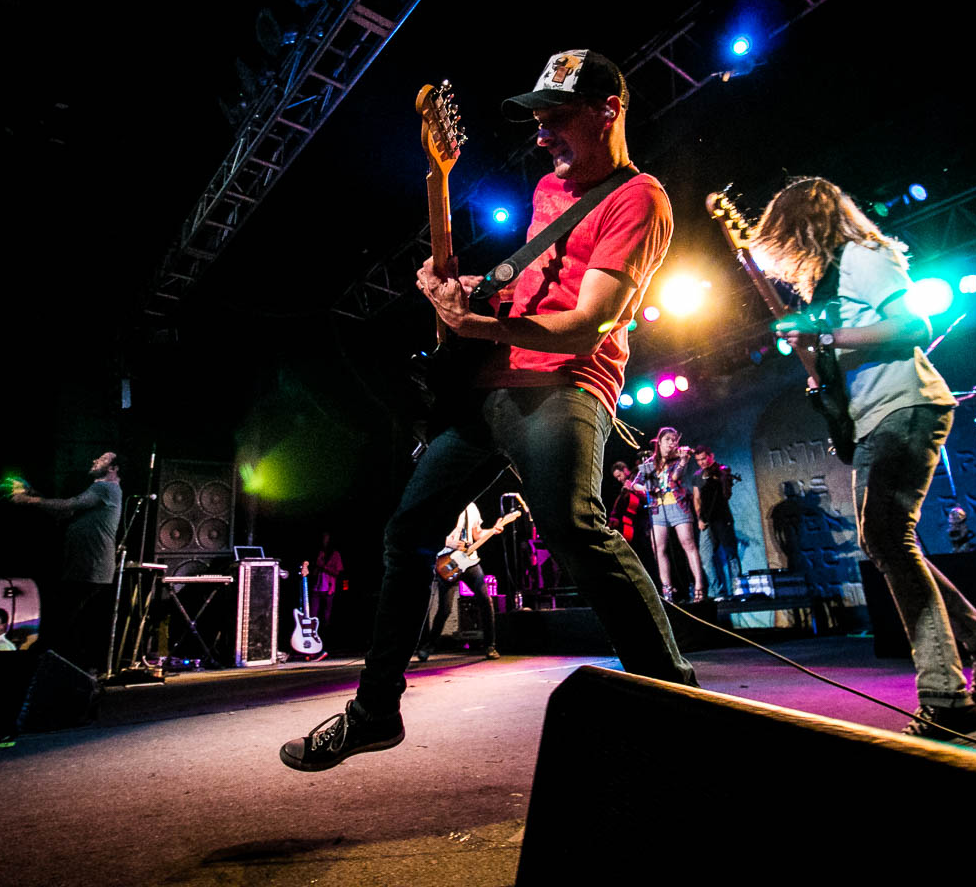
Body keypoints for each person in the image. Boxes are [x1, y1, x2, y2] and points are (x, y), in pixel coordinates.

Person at [280, 49, 698, 772]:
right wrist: (472, 290)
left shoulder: (640, 198)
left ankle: (679, 703)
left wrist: (472, 323)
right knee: (408, 532)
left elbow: (586, 323)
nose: (541, 135)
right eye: (535, 120)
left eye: (556, 117)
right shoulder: (546, 193)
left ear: (609, 110)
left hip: (567, 385)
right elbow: (535, 295)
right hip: (491, 389)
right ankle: (374, 711)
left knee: (572, 523)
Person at [754, 176, 976, 741]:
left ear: (805, 224)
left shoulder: (863, 254)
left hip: (908, 407)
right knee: (887, 543)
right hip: (876, 416)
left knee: (888, 540)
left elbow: (912, 326)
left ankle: (949, 700)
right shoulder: (828, 285)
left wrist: (824, 339)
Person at [11, 451, 124, 672]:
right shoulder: (100, 490)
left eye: (102, 459)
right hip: (87, 566)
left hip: (90, 566)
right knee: (69, 618)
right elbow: (66, 511)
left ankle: (62, 668)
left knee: (64, 619)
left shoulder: (105, 488)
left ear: (113, 468)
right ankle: (69, 666)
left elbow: (67, 505)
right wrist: (34, 493)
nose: (94, 460)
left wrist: (28, 499)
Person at [626, 427, 708, 602]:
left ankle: (700, 586)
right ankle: (667, 590)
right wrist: (647, 487)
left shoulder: (677, 459)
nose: (672, 443)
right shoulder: (650, 463)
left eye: (675, 440)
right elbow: (635, 484)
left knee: (688, 544)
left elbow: (677, 477)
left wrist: (684, 461)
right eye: (669, 439)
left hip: (677, 506)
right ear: (660, 441)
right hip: (657, 508)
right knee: (658, 548)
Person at [416, 503, 502, 661]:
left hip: (470, 561)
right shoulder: (447, 503)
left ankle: (490, 645)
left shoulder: (473, 508)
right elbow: (429, 532)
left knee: (485, 599)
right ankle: (429, 646)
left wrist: (492, 531)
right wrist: (448, 542)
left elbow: (476, 534)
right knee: (445, 609)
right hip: (449, 562)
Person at [690, 446, 742, 600]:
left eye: (704, 459)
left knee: (730, 553)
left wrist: (724, 479)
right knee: (705, 556)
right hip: (706, 520)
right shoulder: (697, 476)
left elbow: (726, 495)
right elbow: (696, 499)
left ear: (711, 456)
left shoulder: (721, 471)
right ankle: (717, 591)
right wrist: (700, 518)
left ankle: (737, 588)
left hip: (722, 517)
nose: (701, 463)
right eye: (698, 460)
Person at [305, 533, 343, 631]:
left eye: (326, 539)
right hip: (317, 586)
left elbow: (338, 572)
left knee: (327, 613)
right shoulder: (320, 553)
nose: (324, 541)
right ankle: (312, 630)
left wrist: (324, 568)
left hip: (329, 588)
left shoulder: (335, 555)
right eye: (323, 539)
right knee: (313, 612)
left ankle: (326, 631)